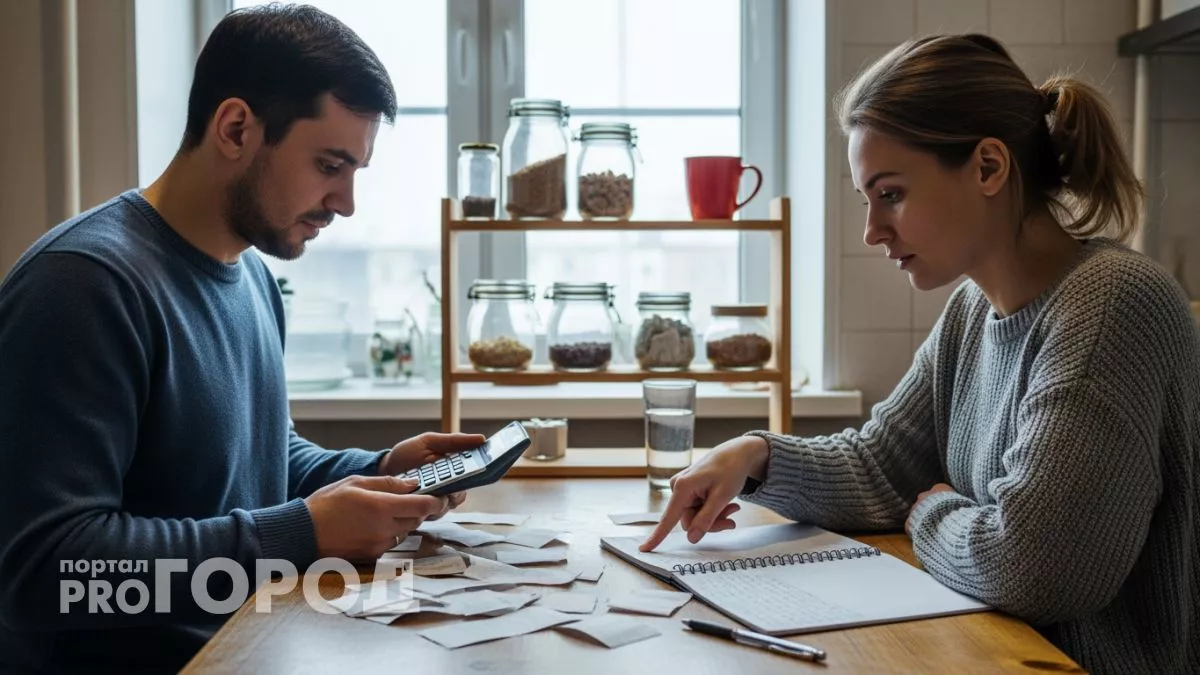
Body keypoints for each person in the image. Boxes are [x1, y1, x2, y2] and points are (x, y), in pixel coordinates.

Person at [642, 34, 1199, 674]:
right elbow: (886, 466)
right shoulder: (972, 309)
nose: (873, 230)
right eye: (867, 199)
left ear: (989, 167)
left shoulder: (1111, 306)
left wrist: (932, 513)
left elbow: (1033, 569)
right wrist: (755, 456)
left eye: (892, 194)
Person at [0, 5, 483, 674]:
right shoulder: (82, 287)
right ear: (235, 127)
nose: (344, 202)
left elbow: (253, 464)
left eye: (354, 172)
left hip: (250, 647)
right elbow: (52, 571)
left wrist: (377, 473)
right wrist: (304, 532)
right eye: (328, 164)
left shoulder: (251, 275)